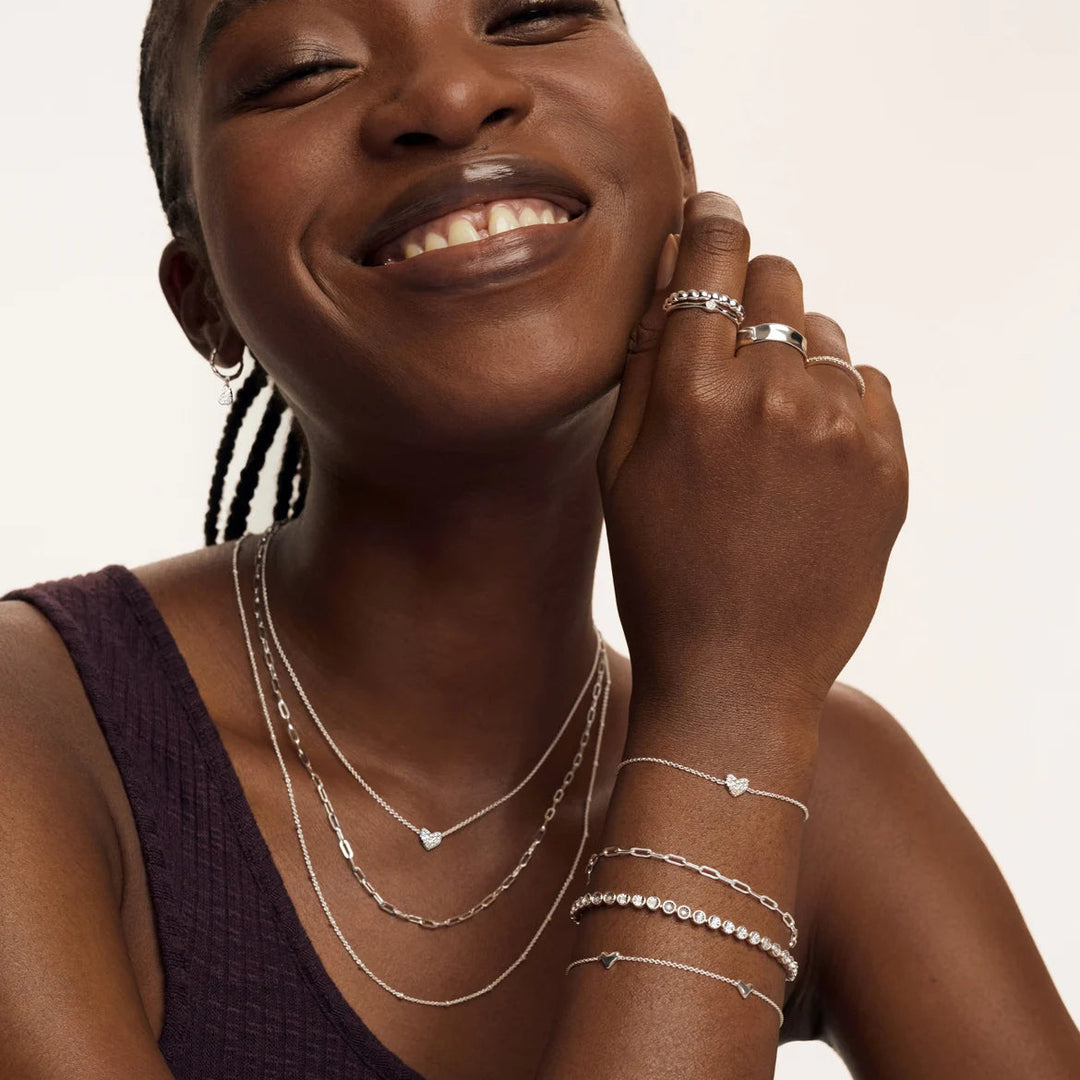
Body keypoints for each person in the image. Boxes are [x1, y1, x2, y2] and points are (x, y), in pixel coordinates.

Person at [0, 1, 1076, 1077]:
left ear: (678, 175)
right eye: (302, 70)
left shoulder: (831, 777)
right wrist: (726, 718)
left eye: (531, 11)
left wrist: (743, 708)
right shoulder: (46, 735)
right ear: (203, 302)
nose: (455, 96)